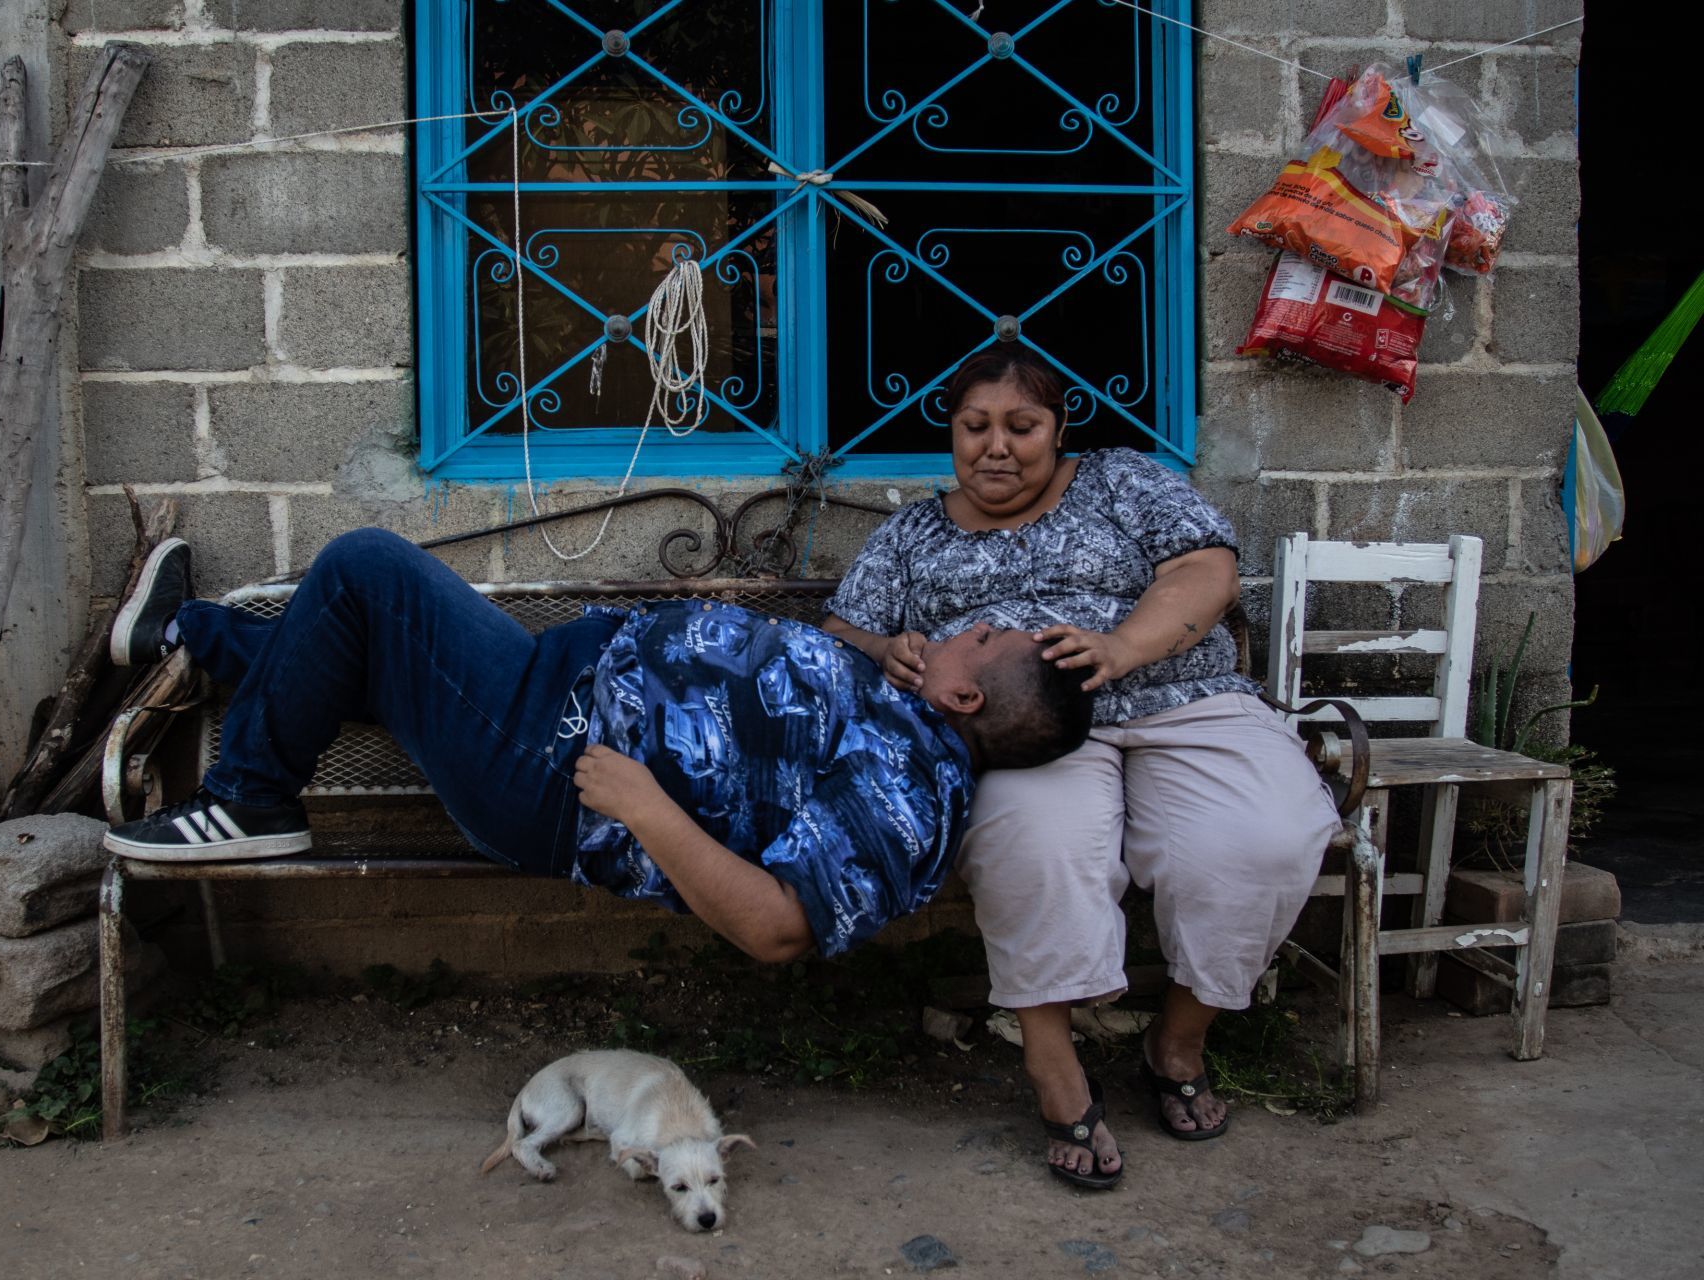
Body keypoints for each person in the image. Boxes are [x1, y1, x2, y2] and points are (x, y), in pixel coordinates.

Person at [823, 345, 1340, 1189]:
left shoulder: (1119, 481)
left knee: (1267, 838)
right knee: (1035, 852)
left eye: (1022, 427)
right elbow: (845, 630)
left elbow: (1205, 569)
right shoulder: (915, 533)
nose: (997, 447)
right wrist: (892, 649)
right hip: (1025, 734)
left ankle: (1178, 1041)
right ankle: (1053, 1067)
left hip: (1183, 696)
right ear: (950, 431)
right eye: (975, 426)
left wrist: (1119, 648)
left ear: (1058, 429)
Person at [101, 527, 1092, 963]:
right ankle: (182, 637)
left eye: (984, 636)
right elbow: (802, 699)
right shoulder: (906, 722)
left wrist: (645, 804)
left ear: (969, 691)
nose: (969, 624)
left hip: (555, 758)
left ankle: (252, 800)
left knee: (365, 568)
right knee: (356, 648)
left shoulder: (911, 796)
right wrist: (881, 650)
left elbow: (780, 926)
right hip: (561, 695)